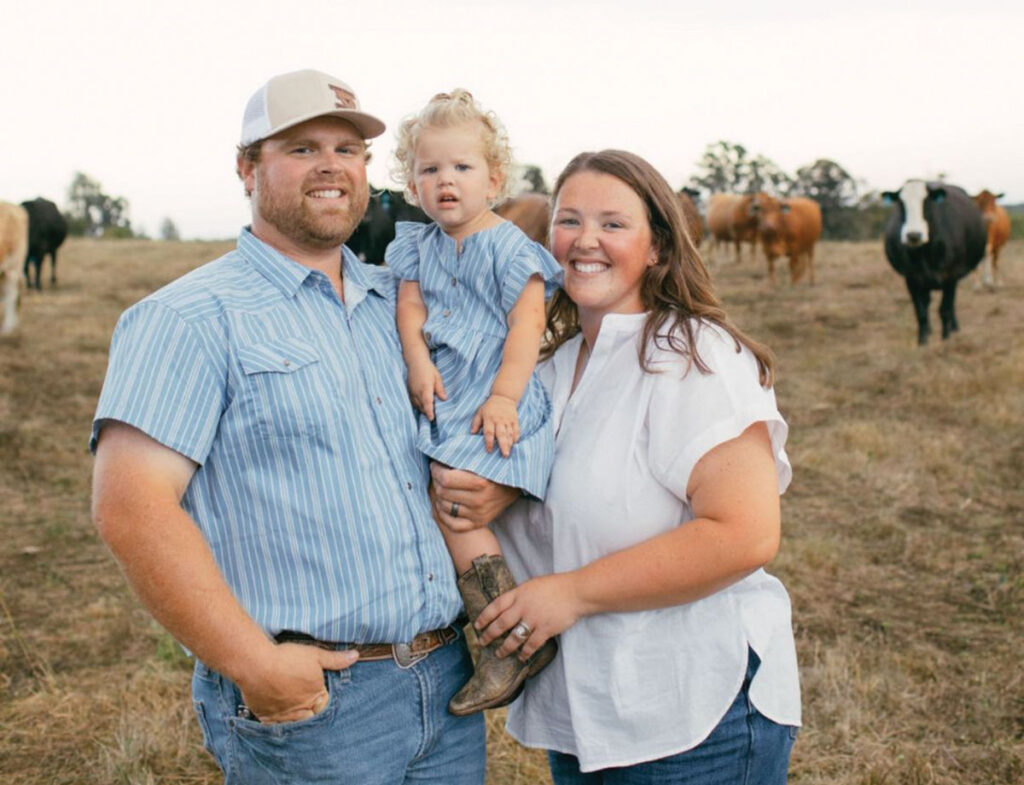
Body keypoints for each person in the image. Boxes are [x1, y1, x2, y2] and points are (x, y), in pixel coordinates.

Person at [89, 69, 491, 785]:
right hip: (317, 707)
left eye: (349, 148)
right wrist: (260, 669)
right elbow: (131, 506)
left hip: (447, 683)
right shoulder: (188, 317)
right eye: (302, 148)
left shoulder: (397, 308)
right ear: (247, 167)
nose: (333, 165)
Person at [434, 150, 801, 783]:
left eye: (613, 223)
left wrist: (569, 595)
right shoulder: (547, 370)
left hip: (691, 715)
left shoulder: (694, 358)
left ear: (657, 246)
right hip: (587, 714)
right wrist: (502, 492)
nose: (585, 241)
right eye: (568, 220)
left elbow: (745, 534)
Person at [385, 89, 562, 715]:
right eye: (430, 170)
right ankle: (494, 627)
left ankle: (507, 639)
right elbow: (410, 309)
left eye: (461, 168)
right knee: (437, 497)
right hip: (448, 390)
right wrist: (418, 362)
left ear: (494, 178)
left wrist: (505, 398)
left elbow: (525, 329)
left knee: (456, 503)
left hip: (493, 398)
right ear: (411, 184)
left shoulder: (512, 249)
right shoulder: (416, 247)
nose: (445, 182)